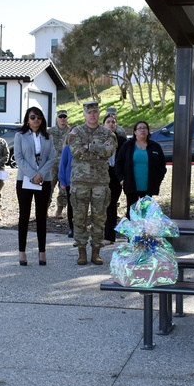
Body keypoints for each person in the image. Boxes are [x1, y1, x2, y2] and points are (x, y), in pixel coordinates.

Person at [66, 100, 117, 265]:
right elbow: (77, 152)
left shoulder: (108, 133)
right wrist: (98, 149)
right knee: (79, 218)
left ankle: (96, 250)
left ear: (99, 113)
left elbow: (109, 151)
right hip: (80, 182)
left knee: (99, 217)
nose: (92, 115)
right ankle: (81, 250)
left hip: (100, 182)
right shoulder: (76, 132)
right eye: (89, 112)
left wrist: (89, 147)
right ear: (84, 114)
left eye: (95, 112)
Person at [14, 107, 56, 266]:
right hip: (25, 180)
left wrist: (40, 175)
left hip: (44, 180)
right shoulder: (20, 136)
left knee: (41, 216)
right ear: (27, 119)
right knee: (24, 216)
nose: (36, 120)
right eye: (33, 117)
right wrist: (33, 175)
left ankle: (42, 252)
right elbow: (18, 157)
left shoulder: (48, 137)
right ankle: (22, 252)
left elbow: (52, 157)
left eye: (39, 117)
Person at [115, 120, 167, 217]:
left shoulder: (155, 146)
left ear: (148, 131)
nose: (142, 130)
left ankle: (143, 232)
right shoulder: (127, 146)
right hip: (131, 185)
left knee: (145, 212)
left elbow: (162, 166)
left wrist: (158, 180)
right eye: (140, 128)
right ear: (135, 132)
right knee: (132, 212)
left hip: (148, 185)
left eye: (145, 128)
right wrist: (121, 179)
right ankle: (132, 232)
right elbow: (118, 163)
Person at [103, 113, 127, 244]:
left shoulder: (122, 140)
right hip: (101, 174)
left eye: (113, 122)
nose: (111, 124)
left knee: (111, 205)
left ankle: (109, 236)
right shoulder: (98, 138)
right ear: (103, 124)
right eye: (108, 122)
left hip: (116, 174)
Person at [49, 109, 72, 217]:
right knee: (49, 186)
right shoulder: (50, 131)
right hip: (52, 163)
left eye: (64, 117)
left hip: (66, 163)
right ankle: (44, 208)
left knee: (63, 188)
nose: (62, 119)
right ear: (57, 118)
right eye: (60, 117)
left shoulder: (71, 131)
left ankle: (59, 210)